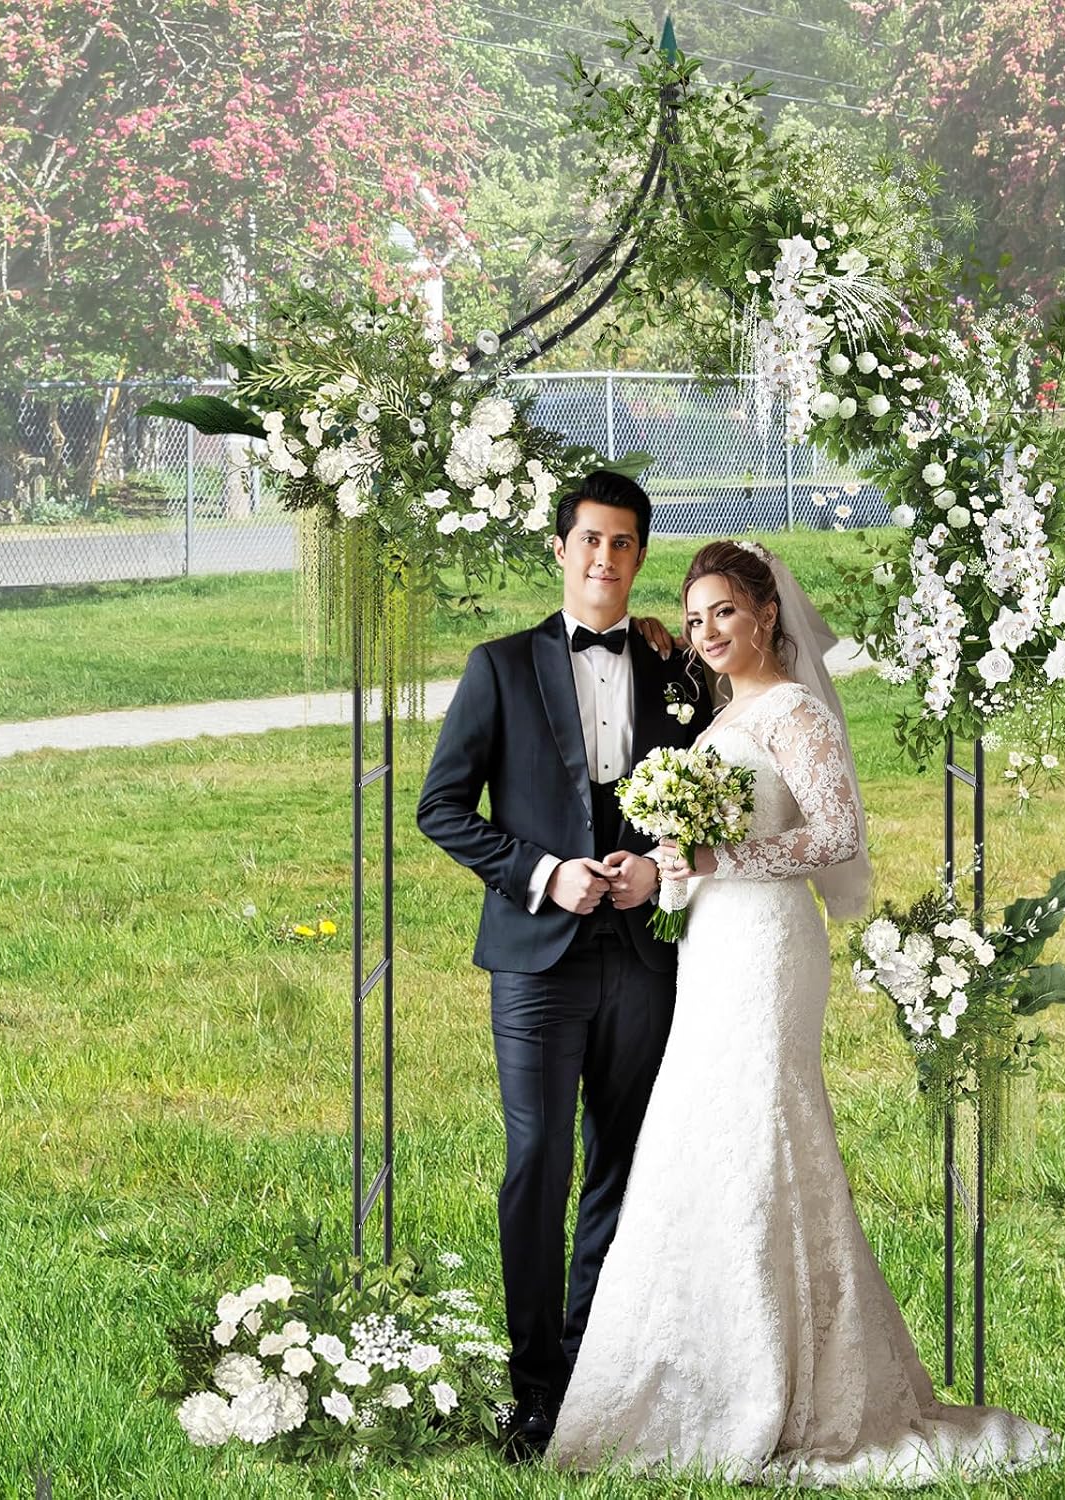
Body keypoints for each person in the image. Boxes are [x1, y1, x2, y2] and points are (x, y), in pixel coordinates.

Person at [550, 540, 1061, 1487]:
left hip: (772, 945)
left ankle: (790, 1379)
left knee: (765, 1124)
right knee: (703, 1129)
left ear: (768, 614)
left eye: (724, 616)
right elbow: (706, 844)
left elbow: (835, 836)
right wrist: (659, 868)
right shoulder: (722, 710)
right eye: (696, 619)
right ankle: (692, 1369)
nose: (707, 635)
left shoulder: (793, 711)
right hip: (711, 942)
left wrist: (714, 863)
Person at [416, 471, 713, 1461]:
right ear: (560, 548)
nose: (605, 558)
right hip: (536, 961)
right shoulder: (498, 667)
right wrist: (543, 871)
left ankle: (595, 1369)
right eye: (590, 539)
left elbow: (708, 799)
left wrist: (654, 871)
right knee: (537, 1162)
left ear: (639, 556)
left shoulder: (674, 677)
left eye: (624, 543)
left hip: (639, 959)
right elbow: (442, 809)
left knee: (622, 1164)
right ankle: (534, 1384)